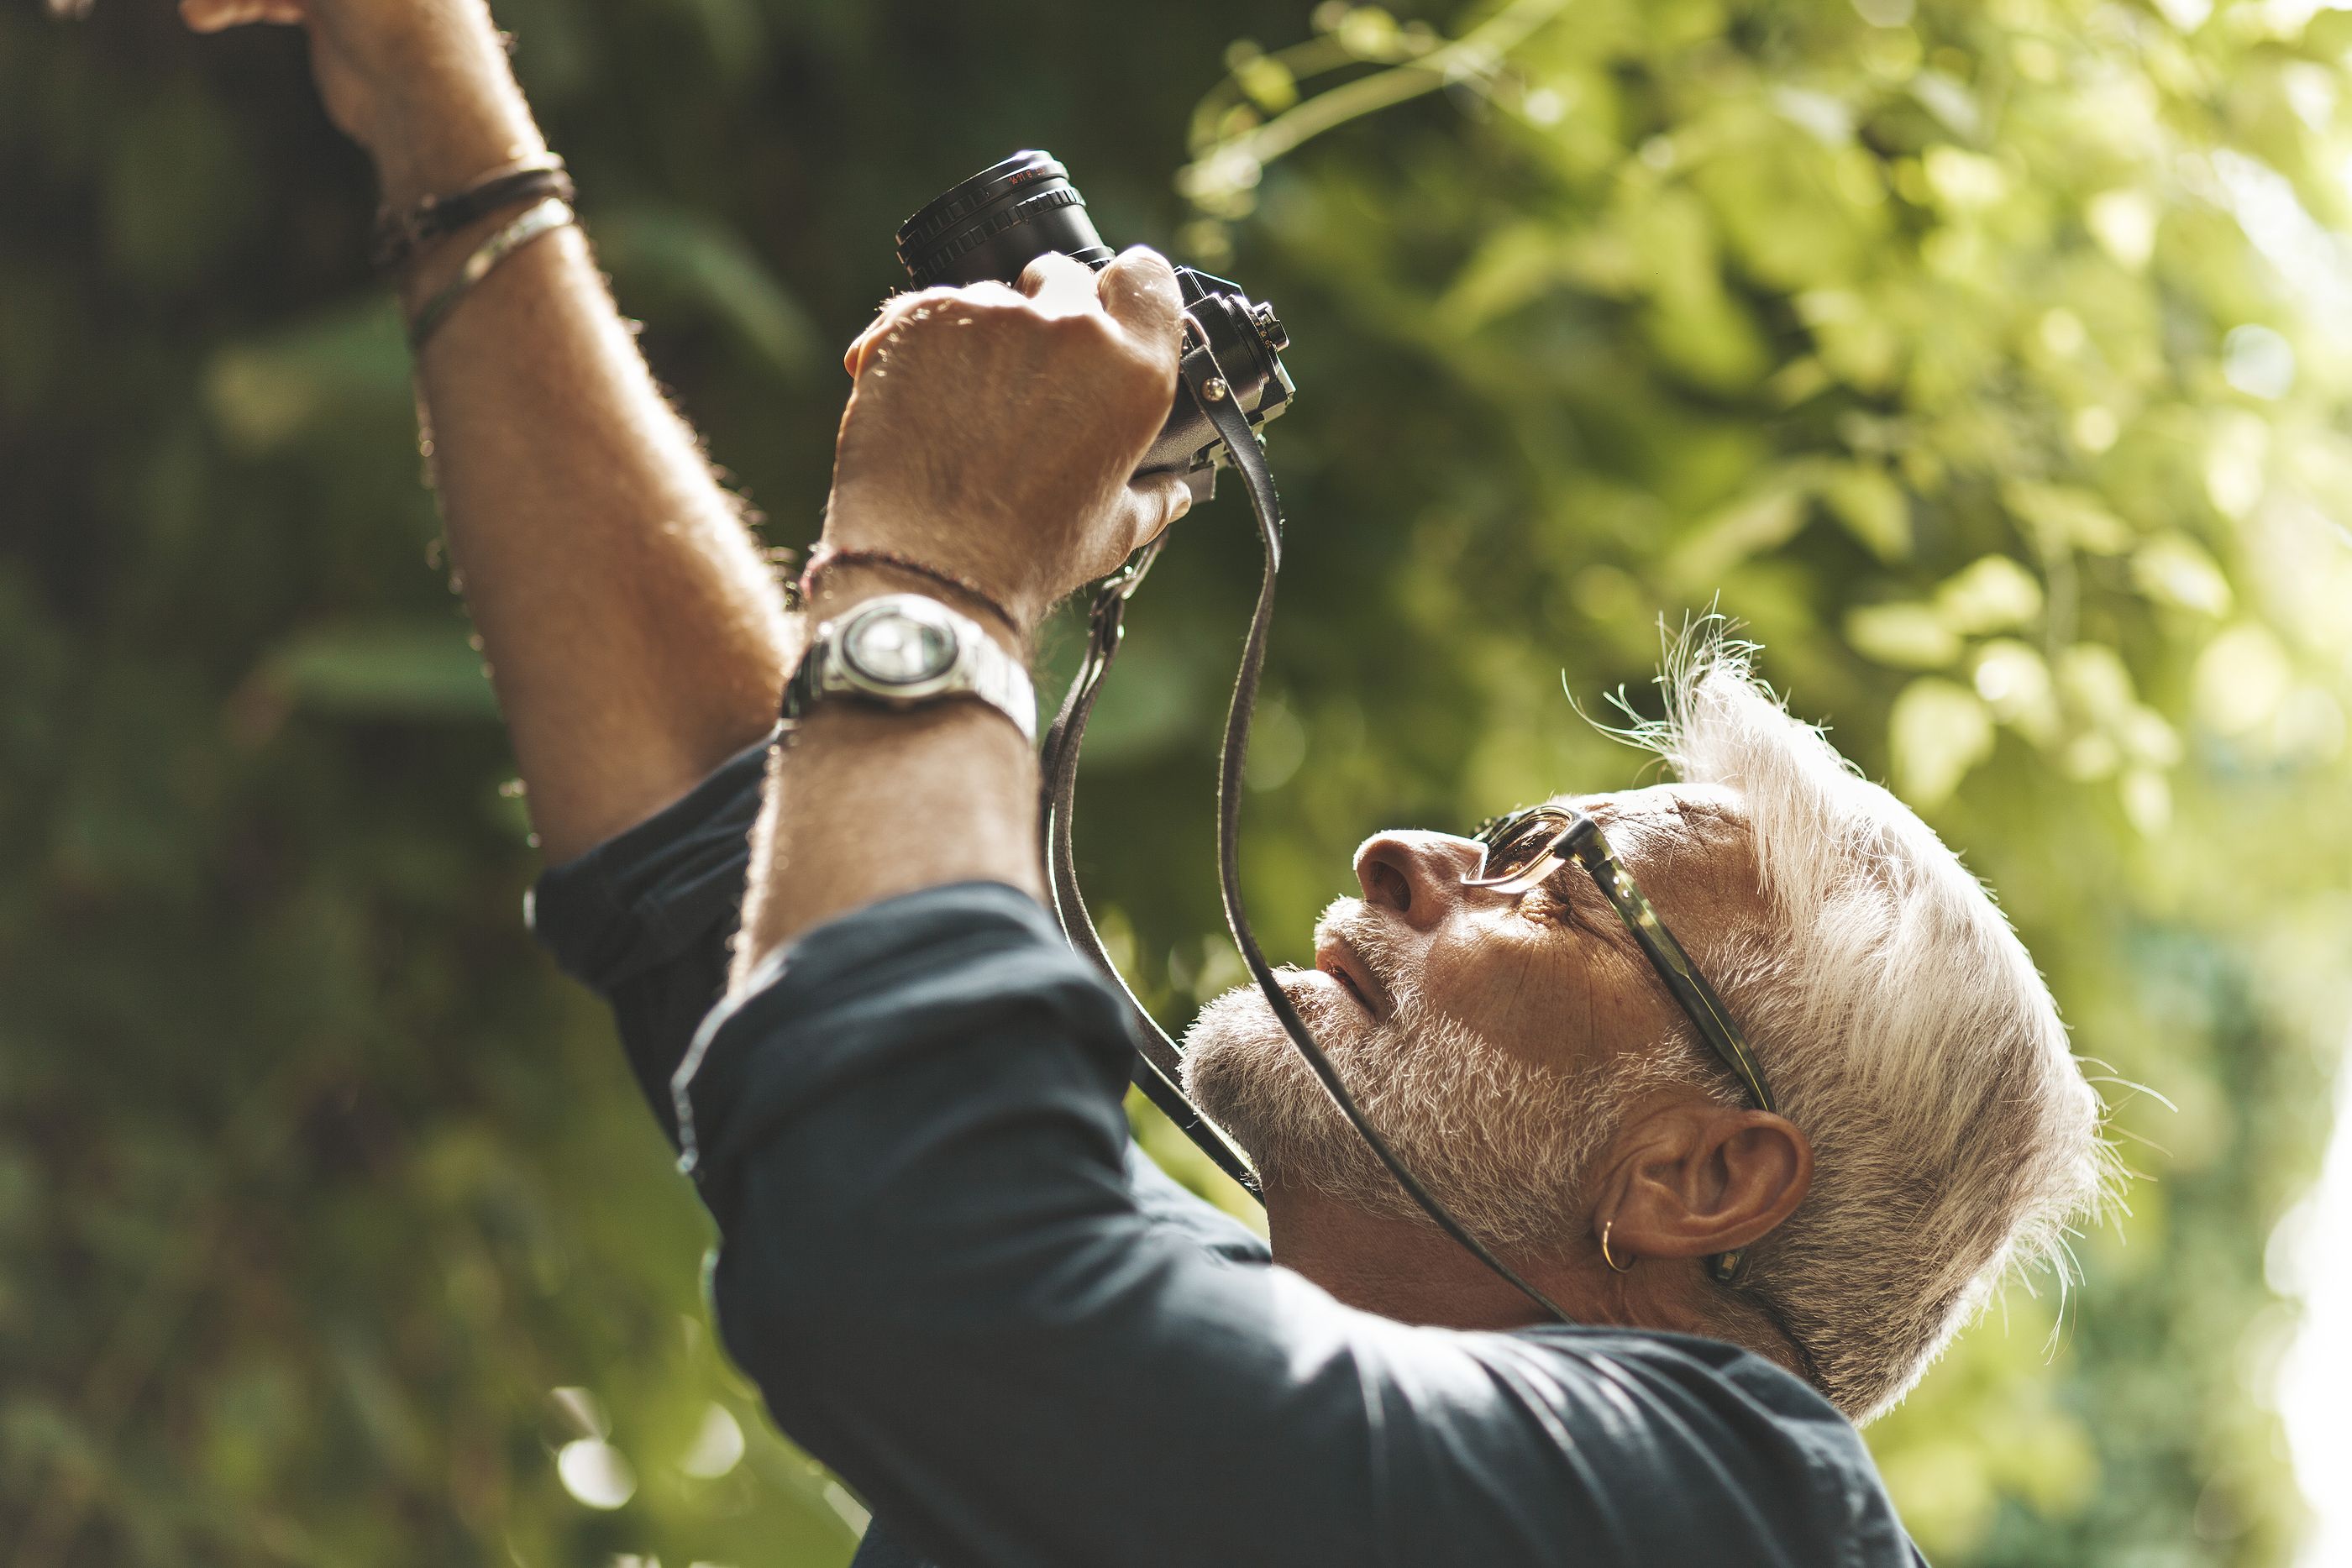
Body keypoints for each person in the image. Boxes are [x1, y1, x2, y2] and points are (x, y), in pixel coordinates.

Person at [185, 0, 2113, 1561]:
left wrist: (940, 570)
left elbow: (926, 1250)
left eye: (1556, 876)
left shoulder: (1724, 1514)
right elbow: (745, 852)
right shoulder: (1301, 1402)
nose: (1410, 852)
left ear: (1702, 1173)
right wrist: (425, 81)